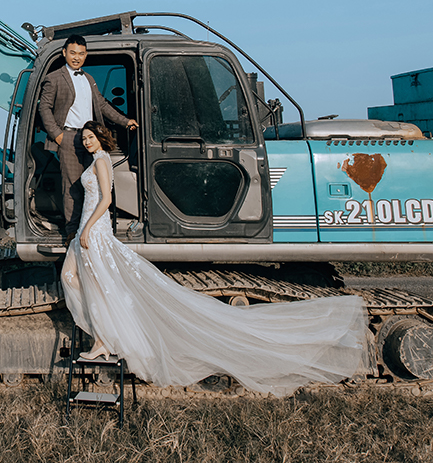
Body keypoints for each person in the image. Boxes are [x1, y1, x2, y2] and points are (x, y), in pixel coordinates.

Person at [60, 121, 369, 397]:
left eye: (90, 137)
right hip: (88, 228)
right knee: (74, 278)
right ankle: (104, 335)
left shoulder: (102, 160)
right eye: (84, 138)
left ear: (100, 137)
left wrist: (87, 228)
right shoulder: (95, 159)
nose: (86, 141)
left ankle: (103, 340)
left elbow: (106, 199)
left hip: (93, 229)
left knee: (95, 283)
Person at [37, 34, 137, 238]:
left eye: (81, 54)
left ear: (86, 55)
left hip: (91, 139)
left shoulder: (89, 79)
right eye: (73, 53)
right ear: (64, 53)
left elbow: (102, 105)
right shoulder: (54, 78)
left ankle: (92, 229)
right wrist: (57, 135)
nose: (77, 57)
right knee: (72, 187)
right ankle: (73, 233)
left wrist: (125, 121)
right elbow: (44, 108)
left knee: (94, 187)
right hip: (69, 139)